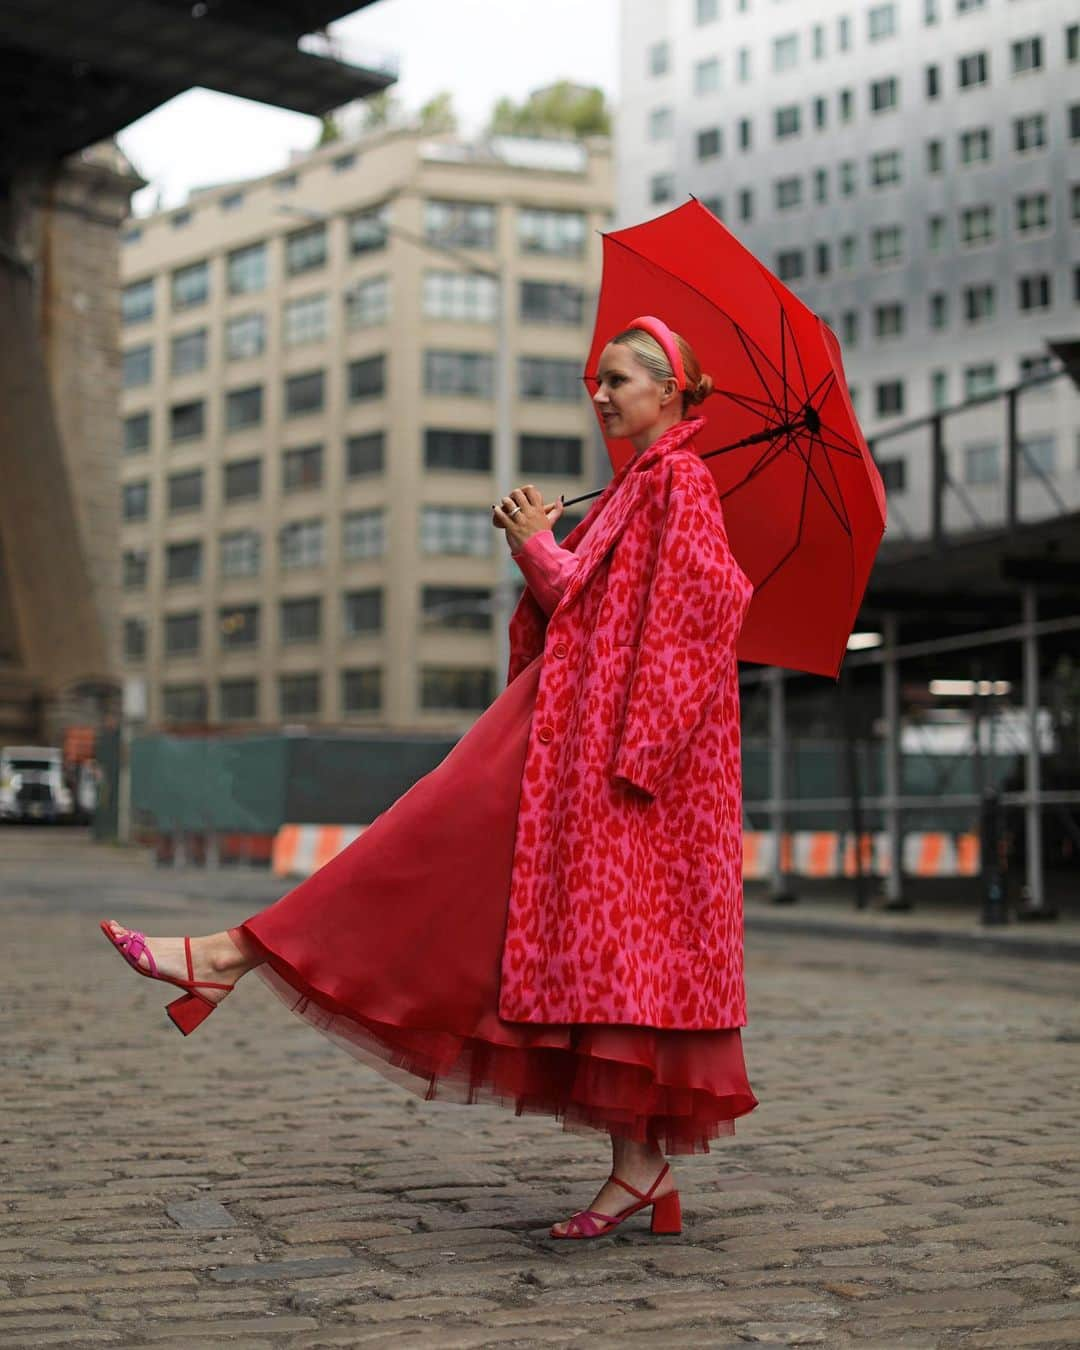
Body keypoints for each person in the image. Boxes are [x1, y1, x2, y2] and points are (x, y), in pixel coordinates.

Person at [102, 317, 758, 1241]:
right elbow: (608, 610)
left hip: (602, 752)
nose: (599, 393)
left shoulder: (680, 482)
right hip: (578, 738)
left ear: (669, 389)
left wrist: (537, 546)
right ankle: (641, 1170)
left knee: (428, 847)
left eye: (616, 378)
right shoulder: (644, 486)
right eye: (594, 380)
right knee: (574, 945)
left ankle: (225, 958)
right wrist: (554, 544)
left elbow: (678, 619)